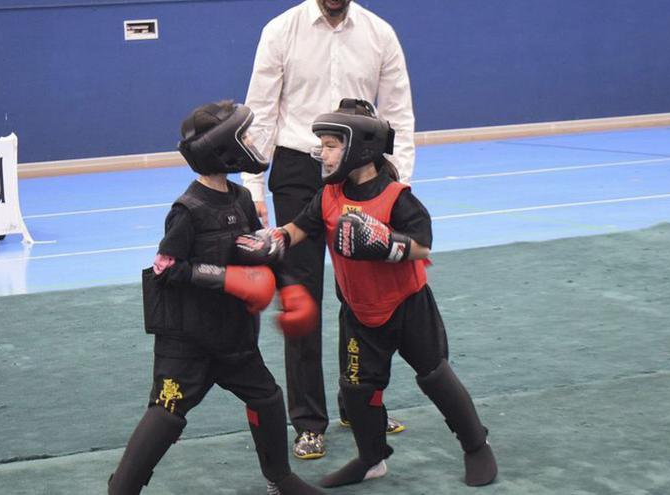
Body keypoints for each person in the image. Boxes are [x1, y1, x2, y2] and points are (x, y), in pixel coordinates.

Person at [276, 99, 498, 488]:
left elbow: (422, 245)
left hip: (408, 307)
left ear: (360, 149)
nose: (323, 155)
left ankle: (476, 446)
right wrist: (273, 241)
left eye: (331, 145)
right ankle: (371, 458)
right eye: (322, 146)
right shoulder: (328, 195)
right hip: (360, 313)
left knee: (434, 376)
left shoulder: (396, 196)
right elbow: (300, 227)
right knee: (358, 388)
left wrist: (383, 243)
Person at [108, 100, 324, 495]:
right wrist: (229, 279)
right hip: (187, 341)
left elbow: (260, 249)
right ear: (222, 148)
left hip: (233, 337)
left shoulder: (241, 200)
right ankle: (121, 489)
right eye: (242, 136)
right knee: (166, 413)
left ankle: (280, 478)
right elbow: (165, 267)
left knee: (268, 398)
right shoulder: (187, 210)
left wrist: (289, 286)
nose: (250, 142)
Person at [243, 0, 415, 459]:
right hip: (298, 170)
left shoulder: (380, 33)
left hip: (362, 172)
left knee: (360, 295)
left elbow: (398, 112)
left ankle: (356, 403)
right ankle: (307, 422)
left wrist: (397, 184)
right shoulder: (280, 30)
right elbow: (260, 110)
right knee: (301, 299)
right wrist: (252, 184)